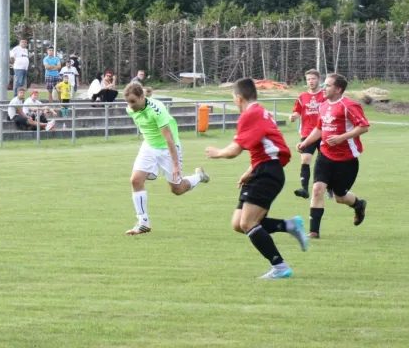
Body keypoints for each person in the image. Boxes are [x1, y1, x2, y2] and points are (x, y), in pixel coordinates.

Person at [205, 77, 307, 279]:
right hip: (263, 170)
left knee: (248, 223)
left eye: (234, 98)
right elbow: (266, 147)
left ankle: (280, 267)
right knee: (238, 223)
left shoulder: (251, 114)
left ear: (239, 97)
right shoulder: (261, 112)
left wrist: (218, 153)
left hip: (267, 173)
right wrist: (249, 171)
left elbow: (234, 150)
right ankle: (289, 225)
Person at [123, 81, 209, 235]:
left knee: (177, 189)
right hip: (149, 147)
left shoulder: (157, 110)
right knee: (135, 180)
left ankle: (199, 176)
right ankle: (143, 222)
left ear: (142, 97)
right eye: (128, 102)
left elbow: (169, 138)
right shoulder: (130, 109)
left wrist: (175, 165)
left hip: (168, 149)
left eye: (133, 101)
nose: (130, 105)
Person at [297, 73, 370, 239]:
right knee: (317, 189)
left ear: (338, 89)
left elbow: (364, 127)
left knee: (339, 197)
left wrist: (341, 138)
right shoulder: (323, 105)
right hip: (325, 156)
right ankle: (314, 232)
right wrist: (306, 142)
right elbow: (319, 128)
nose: (324, 88)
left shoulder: (349, 105)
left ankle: (359, 205)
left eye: (328, 85)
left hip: (346, 161)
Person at [289, 69, 327, 199]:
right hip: (307, 133)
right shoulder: (302, 97)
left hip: (324, 132)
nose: (310, 81)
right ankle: (304, 189)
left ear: (319, 80)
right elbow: (297, 112)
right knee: (305, 159)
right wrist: (293, 116)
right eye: (308, 79)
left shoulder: (325, 95)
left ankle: (330, 188)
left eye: (313, 79)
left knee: (324, 162)